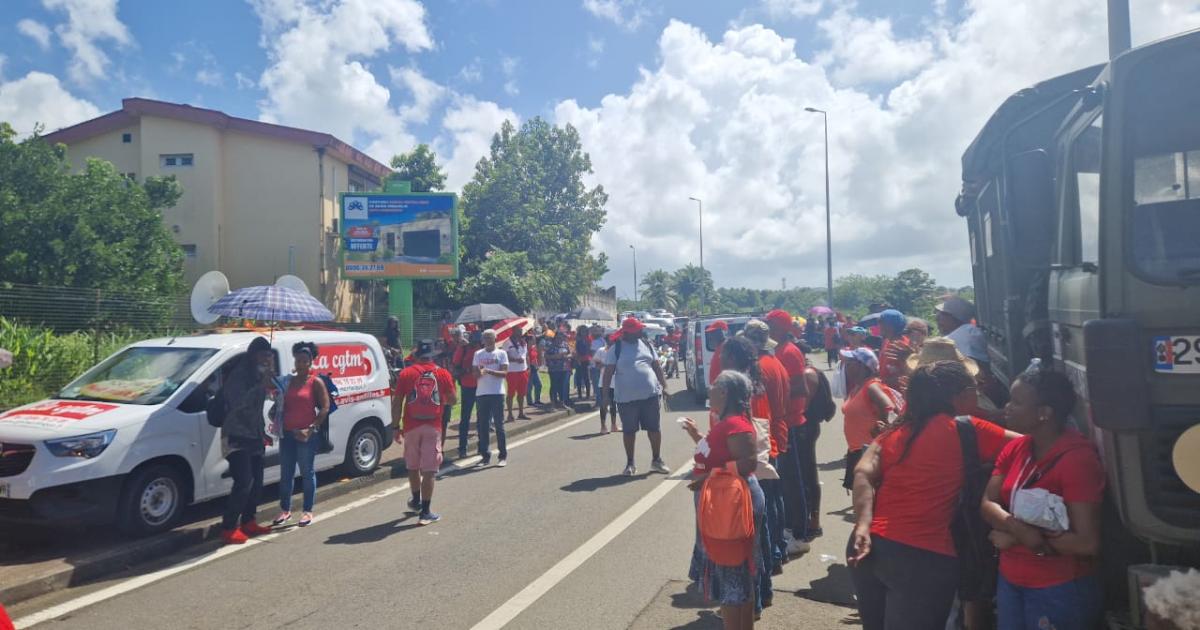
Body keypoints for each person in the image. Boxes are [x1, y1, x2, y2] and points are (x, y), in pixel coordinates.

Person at [848, 361, 1016, 630]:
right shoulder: (967, 429)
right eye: (974, 387)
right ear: (959, 396)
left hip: (870, 548)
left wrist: (864, 524)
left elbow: (863, 472)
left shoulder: (897, 431)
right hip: (923, 557)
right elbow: (1030, 444)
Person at [982, 366, 1104, 630]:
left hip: (1058, 589)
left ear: (1044, 414)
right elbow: (987, 503)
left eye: (1016, 402)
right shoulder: (1016, 448)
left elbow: (1086, 543)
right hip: (1011, 581)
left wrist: (1017, 538)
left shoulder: (1077, 460)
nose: (1007, 407)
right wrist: (1017, 528)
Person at [680, 371, 765, 629]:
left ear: (725, 392)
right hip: (725, 503)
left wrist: (710, 475)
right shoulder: (725, 423)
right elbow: (714, 452)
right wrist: (697, 437)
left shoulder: (735, 425)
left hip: (733, 505)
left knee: (733, 580)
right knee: (736, 578)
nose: (709, 389)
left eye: (714, 385)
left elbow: (748, 462)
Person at [391, 340, 456, 525]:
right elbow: (453, 399)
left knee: (413, 465)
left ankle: (416, 500)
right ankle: (426, 512)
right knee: (429, 470)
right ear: (433, 355)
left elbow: (397, 403)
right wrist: (438, 398)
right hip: (433, 426)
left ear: (417, 354)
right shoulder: (442, 373)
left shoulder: (406, 373)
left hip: (411, 426)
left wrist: (396, 427)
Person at [219, 336, 275, 544]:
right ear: (253, 355)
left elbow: (257, 409)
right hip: (235, 436)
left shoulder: (259, 374)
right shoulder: (238, 375)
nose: (266, 359)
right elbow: (239, 403)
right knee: (244, 481)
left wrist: (263, 432)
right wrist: (261, 385)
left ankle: (249, 520)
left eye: (269, 356)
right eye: (263, 355)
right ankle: (228, 527)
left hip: (254, 435)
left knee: (258, 482)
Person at [764, 309, 810, 554]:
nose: (768, 328)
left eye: (771, 324)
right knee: (785, 480)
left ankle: (799, 534)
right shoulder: (777, 350)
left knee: (792, 480)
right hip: (782, 421)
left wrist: (777, 394)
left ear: (782, 327)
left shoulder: (789, 352)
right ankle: (791, 528)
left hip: (791, 421)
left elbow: (800, 387)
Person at [271, 342, 331, 528]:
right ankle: (285, 510)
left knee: (307, 472)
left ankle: (307, 511)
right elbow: (276, 397)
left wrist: (311, 428)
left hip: (306, 435)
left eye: (305, 361)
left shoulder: (316, 382)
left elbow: (325, 407)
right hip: (287, 434)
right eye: (298, 360)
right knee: (286, 473)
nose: (301, 364)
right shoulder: (287, 381)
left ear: (310, 362)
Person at [602, 317, 671, 476]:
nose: (641, 331)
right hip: (626, 399)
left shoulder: (646, 344)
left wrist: (665, 386)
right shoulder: (616, 348)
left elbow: (656, 367)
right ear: (629, 332)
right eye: (638, 330)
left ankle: (656, 460)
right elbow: (607, 374)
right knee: (629, 431)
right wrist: (605, 396)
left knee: (654, 429)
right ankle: (630, 464)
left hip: (650, 396)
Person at [838, 348, 896, 491]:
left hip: (868, 450)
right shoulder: (858, 387)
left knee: (867, 499)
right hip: (856, 450)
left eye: (851, 363)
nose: (846, 367)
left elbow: (889, 408)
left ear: (863, 367)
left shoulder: (872, 386)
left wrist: (880, 428)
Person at [473, 329, 509, 467]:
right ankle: (485, 456)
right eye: (485, 338)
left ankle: (502, 456)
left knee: (499, 425)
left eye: (490, 337)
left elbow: (504, 373)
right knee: (483, 426)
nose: (487, 340)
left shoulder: (501, 353)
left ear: (495, 339)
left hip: (497, 392)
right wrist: (479, 372)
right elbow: (474, 374)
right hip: (482, 393)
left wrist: (489, 371)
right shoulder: (478, 354)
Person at [453, 331, 481, 458]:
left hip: (481, 386)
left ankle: (482, 446)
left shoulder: (483, 350)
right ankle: (462, 448)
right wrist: (468, 369)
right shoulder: (463, 349)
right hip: (467, 386)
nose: (476, 343)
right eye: (475, 340)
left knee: (482, 418)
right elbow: (456, 365)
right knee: (465, 418)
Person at [877, 309, 916, 396]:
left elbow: (908, 375)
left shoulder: (902, 347)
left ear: (890, 326)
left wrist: (881, 381)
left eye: (881, 322)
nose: (878, 325)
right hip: (886, 392)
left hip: (899, 396)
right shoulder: (887, 341)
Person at [590, 333, 618, 433]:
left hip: (616, 381)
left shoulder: (618, 351)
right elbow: (596, 365)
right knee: (604, 403)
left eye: (613, 340)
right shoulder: (601, 350)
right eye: (609, 340)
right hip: (604, 381)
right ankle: (603, 426)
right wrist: (605, 364)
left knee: (614, 404)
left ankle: (614, 425)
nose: (611, 341)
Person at [503, 332, 531, 422]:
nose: (520, 332)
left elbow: (526, 355)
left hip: (523, 370)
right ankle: (510, 414)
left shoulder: (523, 342)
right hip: (512, 371)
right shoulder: (507, 342)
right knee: (511, 393)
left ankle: (521, 412)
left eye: (521, 330)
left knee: (522, 393)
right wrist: (515, 360)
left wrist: (528, 367)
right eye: (518, 330)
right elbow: (505, 356)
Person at [545, 329, 573, 408]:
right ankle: (553, 403)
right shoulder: (550, 346)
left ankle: (562, 402)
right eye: (558, 337)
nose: (559, 339)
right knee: (554, 386)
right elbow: (546, 356)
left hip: (564, 368)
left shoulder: (565, 344)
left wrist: (567, 356)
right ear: (555, 337)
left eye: (561, 337)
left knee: (562, 386)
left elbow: (571, 353)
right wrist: (555, 356)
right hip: (554, 369)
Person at [706, 320, 729, 386]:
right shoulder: (719, 347)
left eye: (713, 332)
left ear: (721, 332)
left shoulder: (725, 347)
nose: (710, 336)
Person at [574, 324, 593, 400]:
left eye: (584, 331)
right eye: (582, 331)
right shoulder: (577, 339)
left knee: (586, 378)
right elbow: (576, 349)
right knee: (578, 378)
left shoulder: (588, 339)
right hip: (579, 359)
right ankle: (579, 395)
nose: (583, 332)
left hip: (586, 360)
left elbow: (590, 349)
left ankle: (588, 395)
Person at [526, 331, 543, 406]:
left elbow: (535, 357)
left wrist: (537, 363)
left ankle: (537, 400)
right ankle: (530, 402)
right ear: (529, 340)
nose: (535, 340)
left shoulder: (534, 348)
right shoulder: (525, 348)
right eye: (533, 339)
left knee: (539, 384)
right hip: (529, 369)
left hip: (535, 368)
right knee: (529, 386)